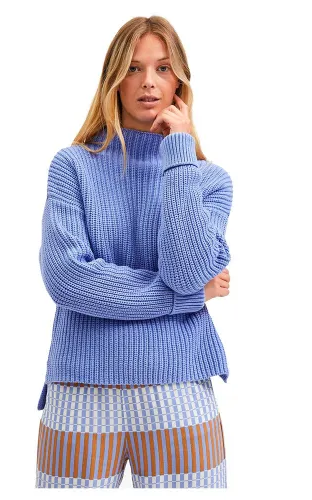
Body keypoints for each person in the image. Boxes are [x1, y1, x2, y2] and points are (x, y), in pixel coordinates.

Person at [35, 15, 233, 489]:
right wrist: (185, 298)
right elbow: (67, 280)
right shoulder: (73, 166)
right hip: (80, 392)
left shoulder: (209, 180)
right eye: (133, 68)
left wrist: (179, 153)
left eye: (163, 68)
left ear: (179, 82)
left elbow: (186, 270)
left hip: (180, 390)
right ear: (114, 80)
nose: (148, 81)